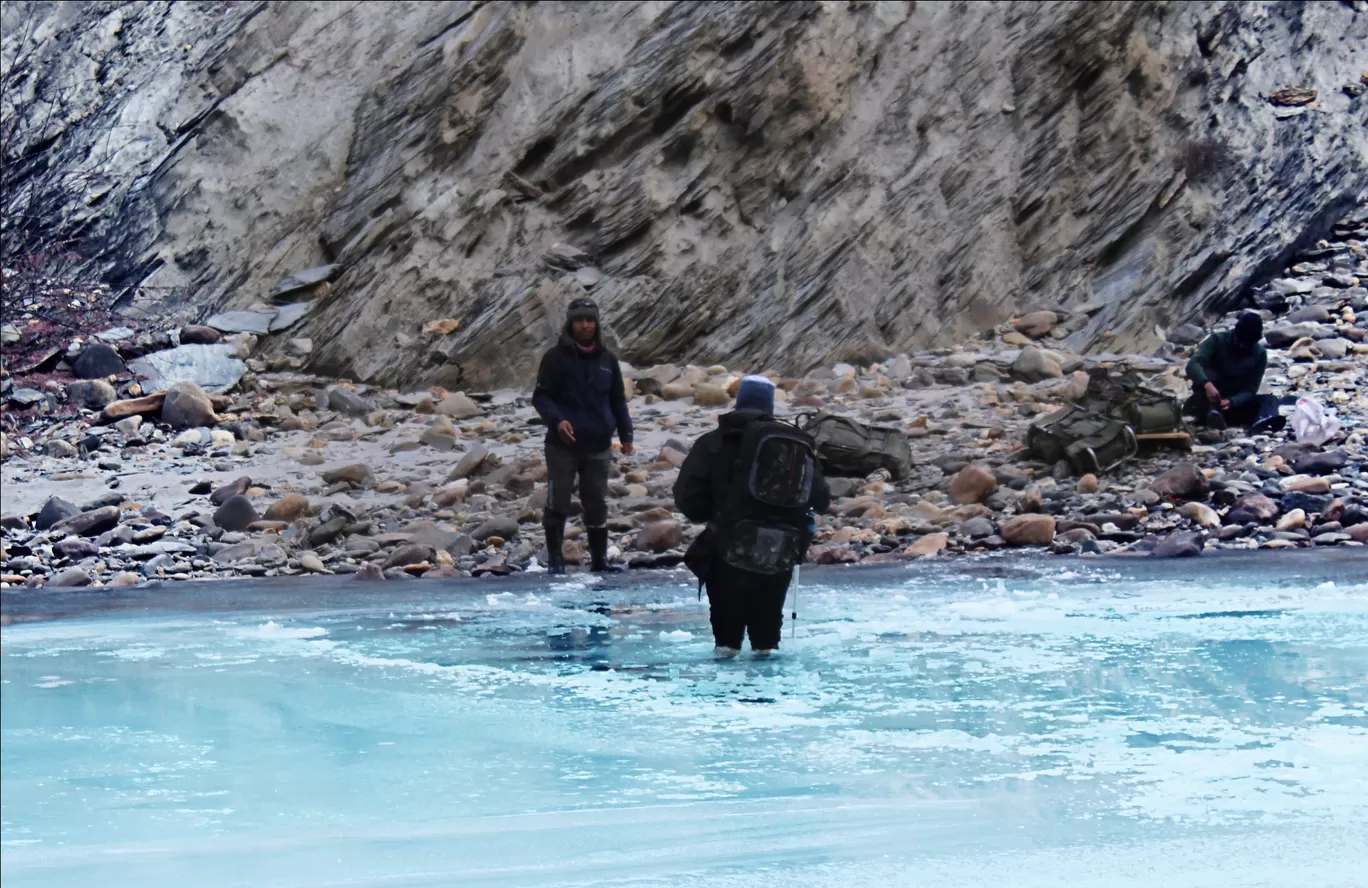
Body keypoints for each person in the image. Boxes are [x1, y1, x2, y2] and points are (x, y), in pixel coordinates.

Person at [673, 375, 831, 658]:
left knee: (726, 642)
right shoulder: (794, 445)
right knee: (766, 640)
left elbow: (688, 498)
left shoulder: (712, 442)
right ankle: (768, 689)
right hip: (780, 550)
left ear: (739, 401)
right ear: (769, 406)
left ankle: (725, 693)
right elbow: (821, 500)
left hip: (726, 547)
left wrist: (714, 515)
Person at [532, 297, 634, 574]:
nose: (586, 325)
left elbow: (617, 400)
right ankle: (555, 561)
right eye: (580, 320)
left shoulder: (608, 360)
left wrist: (626, 433)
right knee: (559, 501)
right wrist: (557, 420)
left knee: (597, 502)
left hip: (598, 444)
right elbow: (541, 397)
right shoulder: (555, 358)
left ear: (597, 324)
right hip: (562, 445)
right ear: (570, 323)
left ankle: (600, 561)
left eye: (590, 320)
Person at [1183, 311, 1283, 433]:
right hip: (1207, 400)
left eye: (1246, 344)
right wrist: (1207, 385)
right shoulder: (1216, 340)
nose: (1241, 346)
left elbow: (1250, 389)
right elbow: (1193, 364)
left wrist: (1233, 401)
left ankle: (1264, 421)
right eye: (1239, 341)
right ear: (1235, 332)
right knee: (1210, 374)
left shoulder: (1259, 353)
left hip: (1233, 405)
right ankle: (1212, 415)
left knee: (1269, 400)